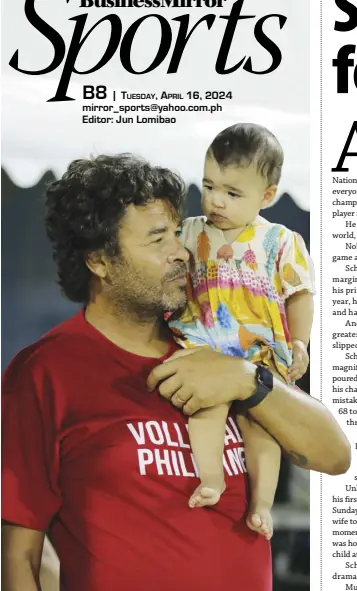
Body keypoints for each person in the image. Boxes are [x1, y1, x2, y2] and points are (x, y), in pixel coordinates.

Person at [2, 154, 350, 591]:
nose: (181, 251)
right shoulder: (45, 371)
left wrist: (249, 379)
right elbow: (19, 554)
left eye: (177, 232)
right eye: (157, 239)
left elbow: (335, 455)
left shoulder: (217, 340)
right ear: (99, 261)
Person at [168, 123, 315, 540]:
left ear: (266, 196)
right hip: (204, 339)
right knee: (205, 408)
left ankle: (262, 504)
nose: (216, 200)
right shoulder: (193, 231)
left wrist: (300, 341)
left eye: (232, 194)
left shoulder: (281, 241)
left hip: (258, 348)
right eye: (209, 185)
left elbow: (299, 294)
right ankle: (212, 478)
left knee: (262, 425)